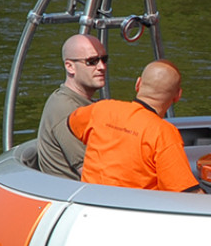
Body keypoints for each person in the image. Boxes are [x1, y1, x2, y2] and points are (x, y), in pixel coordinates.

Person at [68, 60, 202, 193]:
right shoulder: (163, 133)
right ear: (178, 96)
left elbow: (71, 124)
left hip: (90, 203)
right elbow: (186, 192)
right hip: (132, 210)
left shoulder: (101, 109)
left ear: (138, 84)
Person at [37, 34, 109, 179]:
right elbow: (92, 174)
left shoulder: (87, 104)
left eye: (104, 59)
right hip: (77, 196)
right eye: (92, 61)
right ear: (70, 67)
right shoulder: (65, 109)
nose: (101, 67)